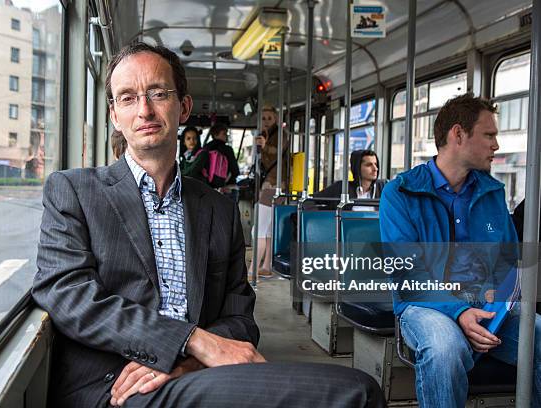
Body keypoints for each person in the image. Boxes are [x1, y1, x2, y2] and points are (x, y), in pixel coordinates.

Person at [32, 42, 385, 408]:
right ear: (114, 115)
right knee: (358, 395)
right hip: (117, 385)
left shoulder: (218, 209)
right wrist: (192, 341)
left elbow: (240, 316)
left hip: (194, 375)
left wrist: (187, 362)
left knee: (358, 390)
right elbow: (66, 293)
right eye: (127, 97)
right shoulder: (74, 190)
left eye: (158, 92)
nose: (145, 110)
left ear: (183, 107)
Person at [379, 93, 541, 408]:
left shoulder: (493, 193)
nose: (496, 145)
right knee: (444, 348)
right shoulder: (400, 193)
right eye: (489, 135)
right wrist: (459, 312)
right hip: (426, 304)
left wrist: (500, 298)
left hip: (485, 303)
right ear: (458, 134)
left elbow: (507, 260)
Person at [249, 105, 289, 278]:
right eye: (263, 118)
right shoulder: (264, 135)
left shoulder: (280, 135)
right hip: (272, 185)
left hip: (273, 185)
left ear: (276, 119)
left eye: (269, 118)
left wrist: (263, 146)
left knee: (258, 229)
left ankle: (253, 269)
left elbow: (275, 154)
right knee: (268, 230)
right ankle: (266, 265)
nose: (266, 122)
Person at [314, 149, 386, 210]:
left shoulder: (383, 188)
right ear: (357, 168)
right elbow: (308, 201)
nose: (375, 169)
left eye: (376, 164)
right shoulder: (341, 188)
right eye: (369, 165)